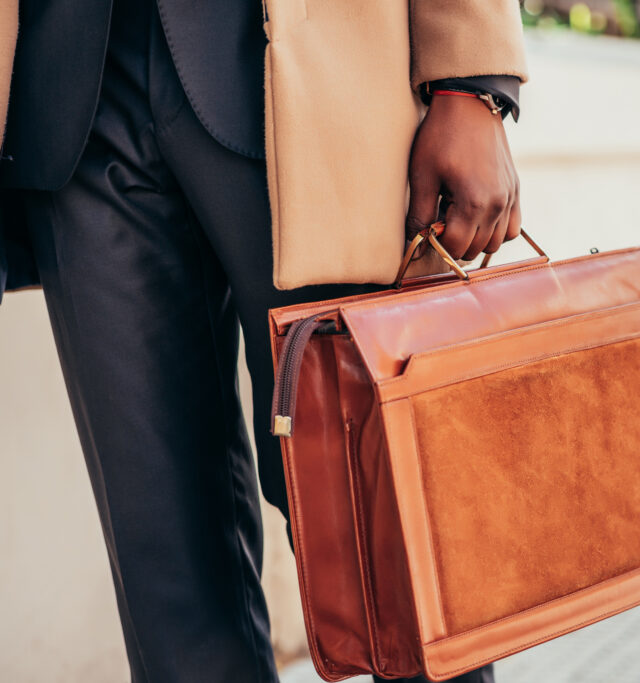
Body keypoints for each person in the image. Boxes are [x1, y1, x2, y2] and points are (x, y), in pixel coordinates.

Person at [0, 0, 527, 681]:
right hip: (76, 82)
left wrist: (471, 77)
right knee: (170, 590)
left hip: (309, 70)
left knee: (387, 551)